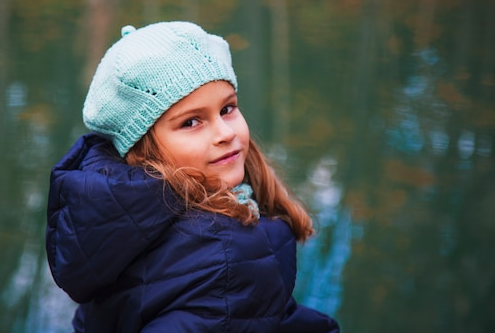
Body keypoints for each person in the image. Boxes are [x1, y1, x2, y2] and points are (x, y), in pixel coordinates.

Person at [46, 21, 340, 333]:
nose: (225, 134)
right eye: (191, 122)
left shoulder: (113, 225)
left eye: (227, 109)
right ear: (142, 150)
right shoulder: (227, 253)